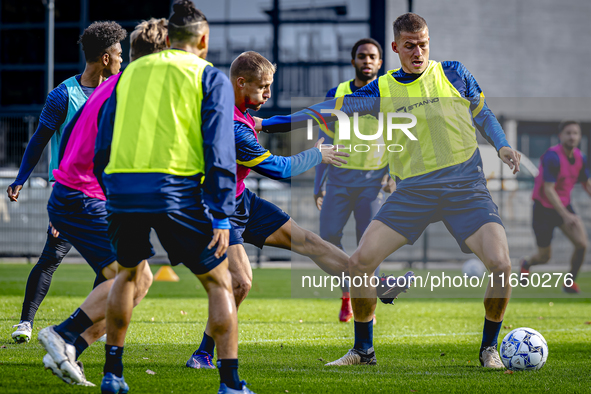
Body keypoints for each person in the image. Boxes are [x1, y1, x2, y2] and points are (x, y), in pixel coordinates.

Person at [258, 13, 521, 369]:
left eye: (423, 44)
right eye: (410, 46)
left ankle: (489, 349)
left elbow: (483, 113)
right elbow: (324, 111)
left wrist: (502, 145)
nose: (418, 52)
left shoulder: (455, 72)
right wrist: (269, 122)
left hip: (466, 189)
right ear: (395, 48)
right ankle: (363, 351)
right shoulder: (380, 90)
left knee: (501, 265)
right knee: (358, 264)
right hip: (413, 192)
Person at [186, 51, 411, 370]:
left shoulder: (240, 110)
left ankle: (376, 285)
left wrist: (322, 115)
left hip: (239, 200)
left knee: (310, 243)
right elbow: (280, 168)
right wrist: (317, 154)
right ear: (241, 82)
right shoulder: (232, 126)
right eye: (263, 87)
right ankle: (203, 353)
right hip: (214, 209)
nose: (268, 94)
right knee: (241, 283)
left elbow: (275, 123)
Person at [93, 2, 252, 393]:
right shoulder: (208, 76)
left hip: (122, 189)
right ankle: (230, 382)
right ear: (203, 39)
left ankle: (112, 375)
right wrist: (221, 215)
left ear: (166, 38)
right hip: (175, 191)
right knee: (221, 281)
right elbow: (219, 150)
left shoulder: (129, 73)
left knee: (126, 276)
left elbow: (104, 139)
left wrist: (108, 185)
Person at [36, 18, 168, 387]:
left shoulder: (114, 86)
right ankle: (64, 334)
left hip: (76, 195)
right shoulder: (130, 90)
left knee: (137, 280)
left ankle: (71, 346)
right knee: (134, 276)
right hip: (81, 196)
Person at [8, 21, 127, 344]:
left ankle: (91, 322)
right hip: (72, 192)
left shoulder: (121, 91)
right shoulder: (64, 95)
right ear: (105, 58)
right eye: (118, 54)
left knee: (110, 262)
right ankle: (25, 322)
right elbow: (39, 140)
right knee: (53, 255)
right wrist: (21, 178)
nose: (122, 60)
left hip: (106, 192)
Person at [314, 38, 395, 323]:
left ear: (380, 63)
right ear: (353, 61)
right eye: (362, 56)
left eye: (373, 56)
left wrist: (392, 175)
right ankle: (350, 291)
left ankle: (363, 303)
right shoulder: (336, 93)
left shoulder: (388, 96)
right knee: (328, 238)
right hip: (337, 181)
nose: (367, 61)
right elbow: (324, 139)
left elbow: (398, 137)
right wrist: (318, 184)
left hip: (372, 184)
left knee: (368, 245)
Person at [520, 120, 590, 293]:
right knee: (544, 257)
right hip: (543, 209)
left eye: (575, 133)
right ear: (560, 136)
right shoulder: (552, 157)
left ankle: (569, 282)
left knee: (581, 245)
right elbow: (549, 190)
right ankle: (526, 263)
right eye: (568, 133)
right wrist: (566, 215)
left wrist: (566, 213)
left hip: (564, 207)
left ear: (580, 136)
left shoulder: (581, 158)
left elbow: (586, 183)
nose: (572, 136)